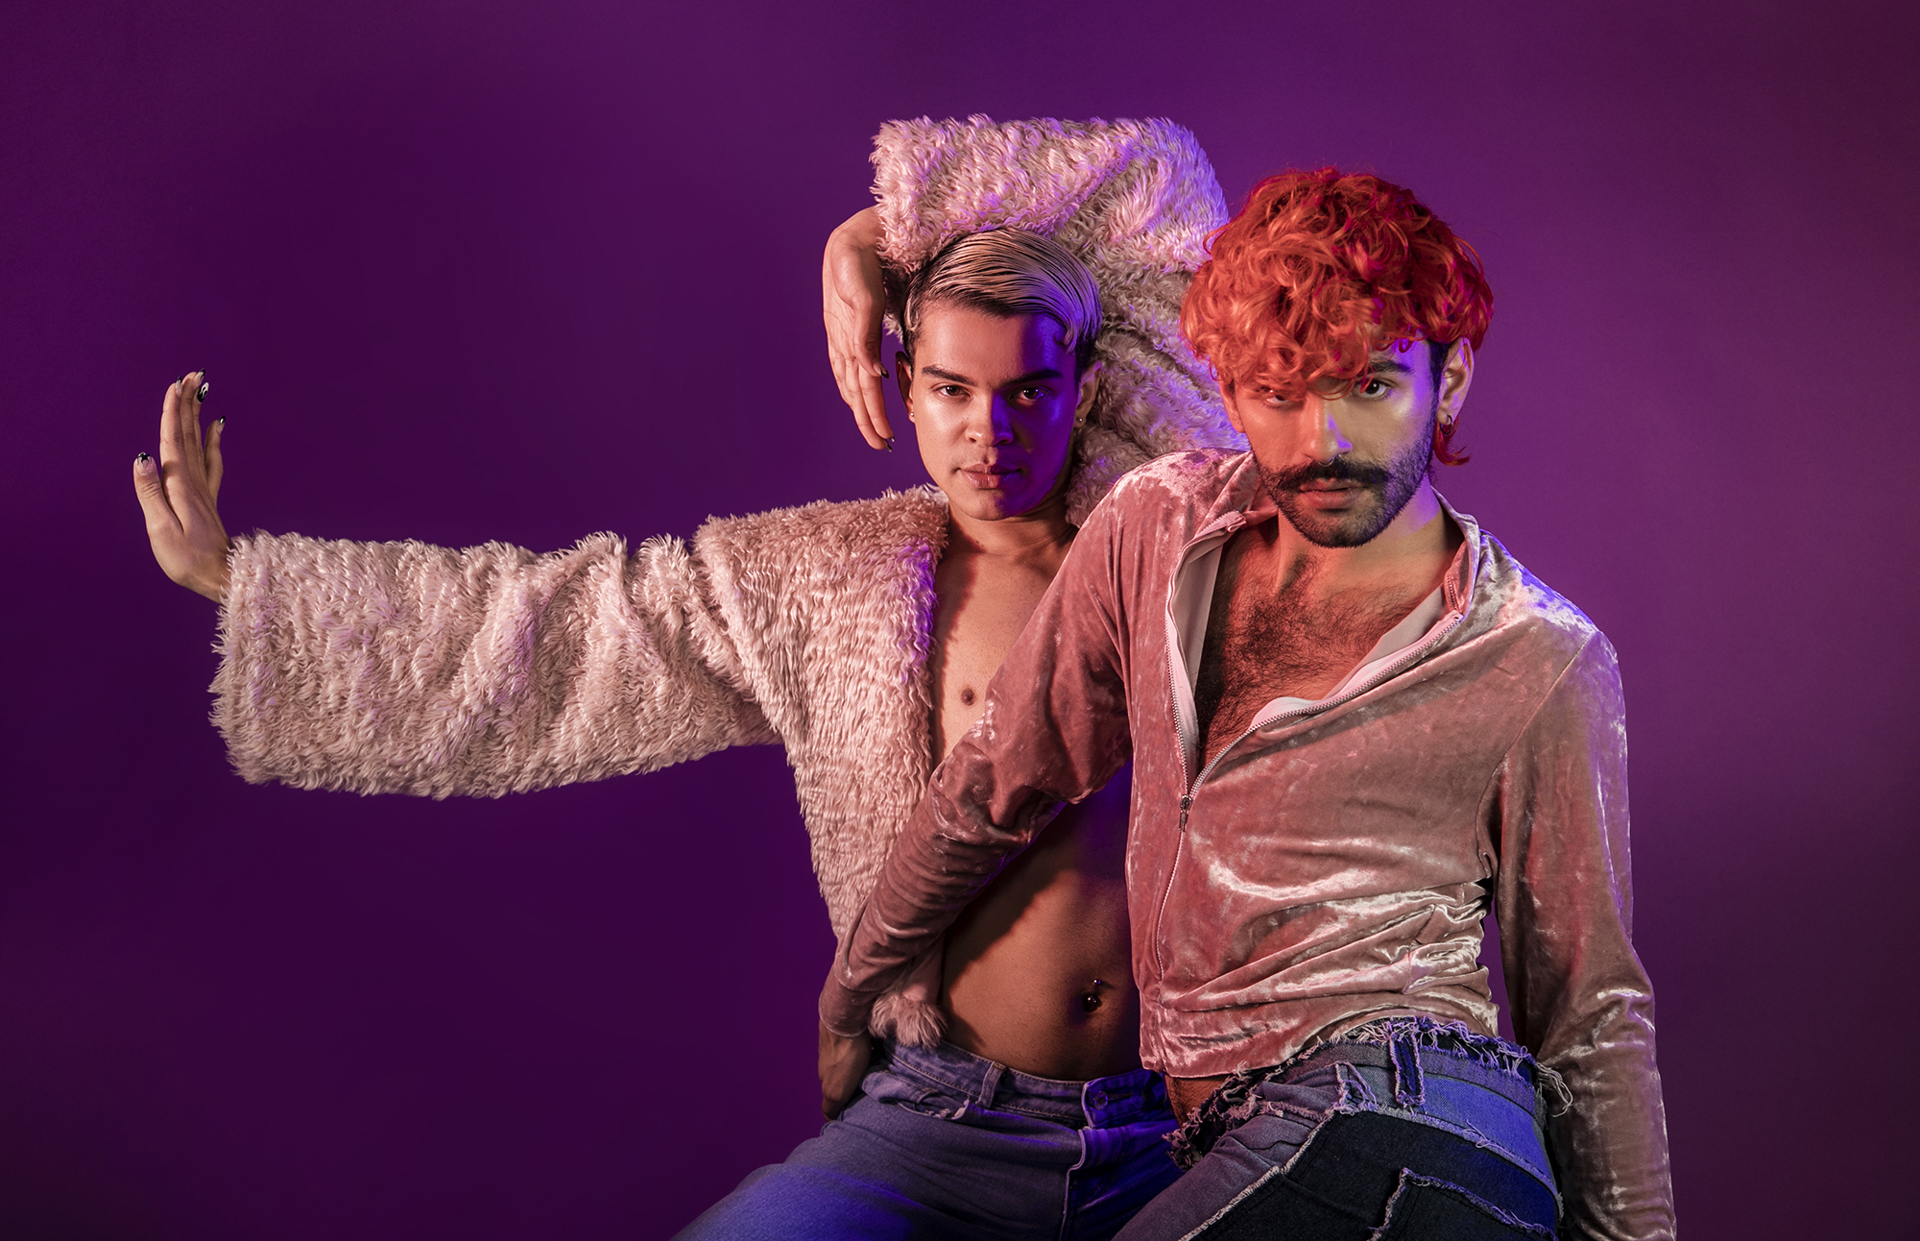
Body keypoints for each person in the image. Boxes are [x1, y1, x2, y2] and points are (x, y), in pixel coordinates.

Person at [132, 117, 1242, 1238]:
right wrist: (249, 589)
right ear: (904, 386)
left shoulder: (1171, 519)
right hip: (938, 1126)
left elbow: (1155, 181)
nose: (986, 432)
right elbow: (559, 638)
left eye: (1026, 392)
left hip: (1193, 1121)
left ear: (1086, 386)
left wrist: (866, 237)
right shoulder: (822, 585)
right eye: (952, 390)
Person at [818, 168, 1677, 1239]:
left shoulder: (1538, 655)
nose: (1324, 440)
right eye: (1279, 390)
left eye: (1370, 384)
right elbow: (993, 780)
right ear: (1226, 393)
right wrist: (855, 984)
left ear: (1449, 380)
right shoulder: (1154, 527)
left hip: (1420, 1111)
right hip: (1244, 1142)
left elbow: (1590, 1012)